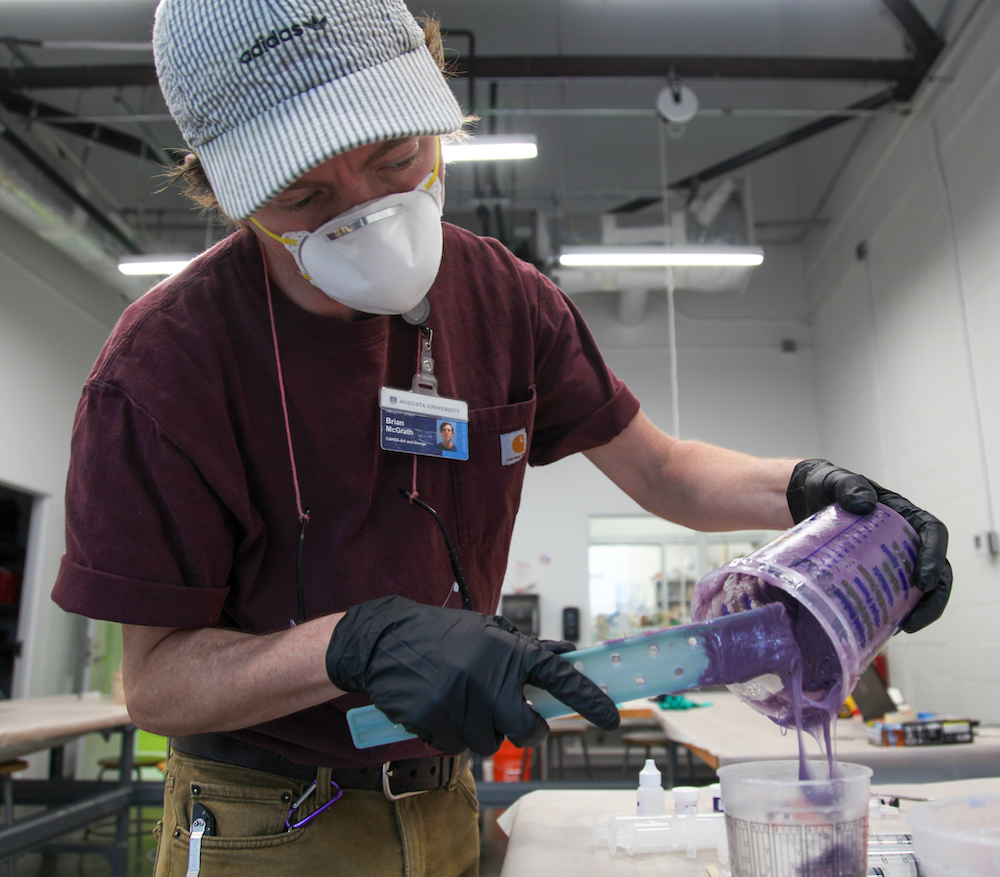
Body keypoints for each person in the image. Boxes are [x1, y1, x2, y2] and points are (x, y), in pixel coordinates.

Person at [51, 0, 952, 874]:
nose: (365, 210)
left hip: (445, 791)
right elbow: (157, 683)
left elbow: (664, 470)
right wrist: (348, 643)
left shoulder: (503, 298)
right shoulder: (162, 370)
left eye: (398, 156)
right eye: (304, 194)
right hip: (265, 816)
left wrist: (811, 492)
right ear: (222, 191)